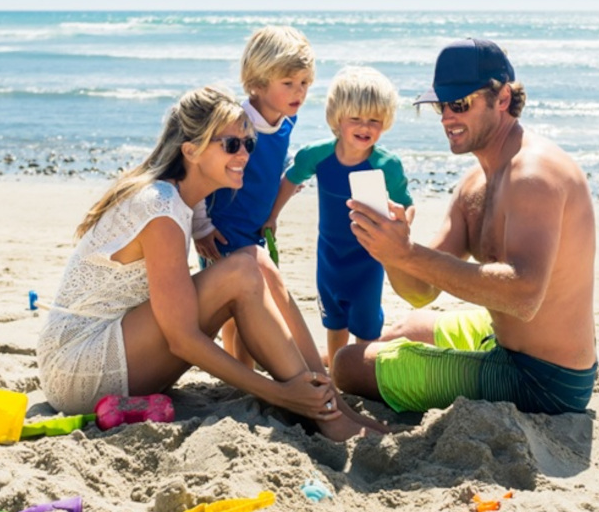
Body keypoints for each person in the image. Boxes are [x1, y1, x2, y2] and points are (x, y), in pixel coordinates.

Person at [36, 86, 377, 441]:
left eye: (249, 143)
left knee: (254, 259)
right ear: (191, 150)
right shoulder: (160, 208)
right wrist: (278, 394)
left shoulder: (183, 201)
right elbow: (183, 339)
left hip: (118, 354)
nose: (244, 153)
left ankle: (328, 400)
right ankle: (319, 409)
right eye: (231, 144)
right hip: (78, 369)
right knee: (241, 271)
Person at [331, 38, 598, 416]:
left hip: (546, 380)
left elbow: (524, 296)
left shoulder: (535, 174)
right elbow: (420, 291)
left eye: (459, 105)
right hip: (502, 342)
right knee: (404, 328)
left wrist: (409, 254)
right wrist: (389, 252)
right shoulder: (475, 184)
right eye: (441, 106)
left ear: (502, 98)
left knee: (348, 364)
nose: (446, 119)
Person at [266, 66, 413, 368]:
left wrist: (402, 221)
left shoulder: (387, 164)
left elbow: (406, 205)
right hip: (330, 256)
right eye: (355, 119)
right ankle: (336, 370)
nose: (365, 127)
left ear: (385, 122)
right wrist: (272, 216)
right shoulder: (317, 155)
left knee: (366, 321)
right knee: (333, 320)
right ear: (337, 118)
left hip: (368, 257)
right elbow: (291, 179)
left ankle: (364, 373)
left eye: (374, 120)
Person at [192, 26, 320, 369]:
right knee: (241, 309)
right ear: (258, 83)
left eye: (305, 82)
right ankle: (245, 371)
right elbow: (202, 172)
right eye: (289, 83)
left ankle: (245, 370)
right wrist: (201, 226)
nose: (300, 92)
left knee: (251, 307)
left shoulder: (288, 120)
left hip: (256, 227)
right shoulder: (237, 123)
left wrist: (274, 208)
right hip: (224, 229)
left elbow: (271, 161)